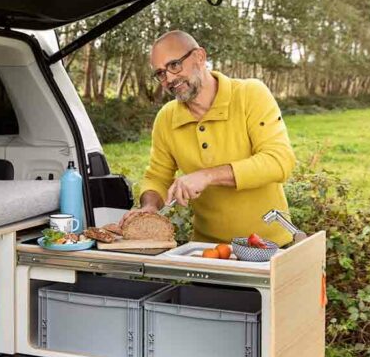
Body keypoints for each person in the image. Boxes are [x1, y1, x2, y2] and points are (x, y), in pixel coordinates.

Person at [122, 31, 296, 245]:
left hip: (269, 246)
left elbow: (279, 161)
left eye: (174, 65)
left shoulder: (250, 94)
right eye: (160, 73)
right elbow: (157, 176)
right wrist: (149, 206)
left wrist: (207, 176)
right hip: (207, 249)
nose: (169, 79)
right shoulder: (166, 118)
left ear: (200, 57)